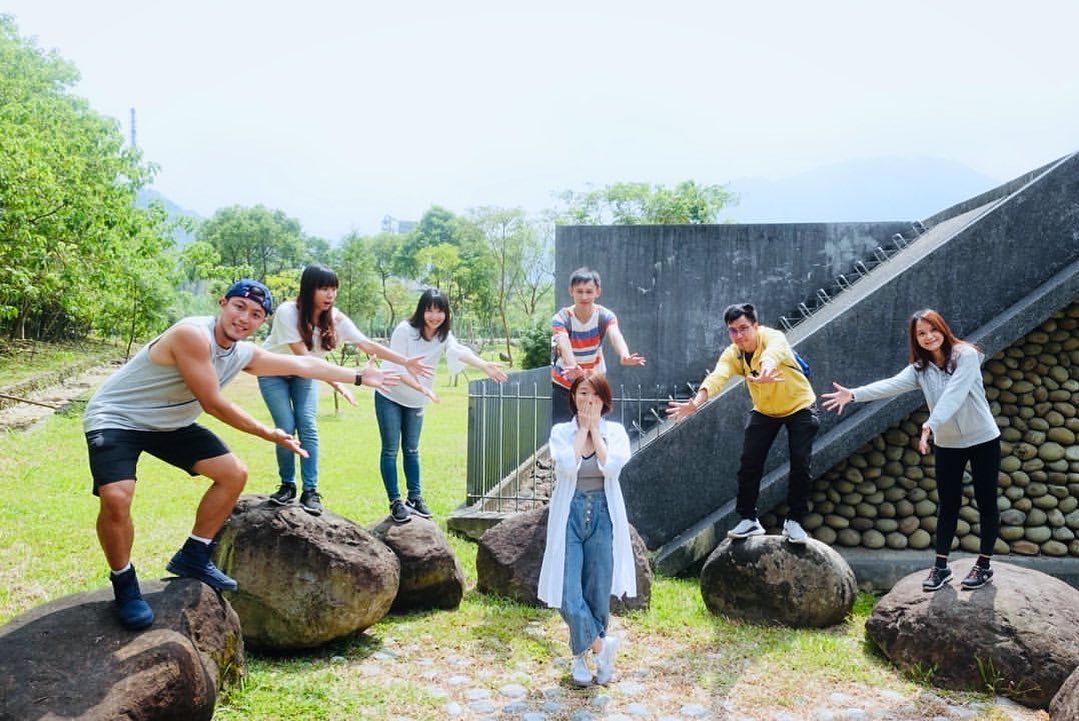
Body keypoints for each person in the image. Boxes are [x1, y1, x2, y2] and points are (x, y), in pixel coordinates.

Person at [83, 279, 398, 630]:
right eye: (239, 307)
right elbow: (213, 403)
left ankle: (195, 554)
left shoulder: (243, 354)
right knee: (116, 495)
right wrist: (269, 432)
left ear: (262, 322)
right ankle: (124, 582)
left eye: (256, 314)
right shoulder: (192, 335)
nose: (244, 318)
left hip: (170, 424)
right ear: (222, 303)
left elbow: (303, 366)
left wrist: (357, 375)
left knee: (233, 474)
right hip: (118, 417)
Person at [821, 309, 1000, 592]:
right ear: (915, 339)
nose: (929, 337)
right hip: (948, 443)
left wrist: (931, 423)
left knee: (987, 501)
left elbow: (956, 392)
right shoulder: (920, 368)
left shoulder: (966, 356)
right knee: (948, 505)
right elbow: (890, 385)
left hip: (983, 439)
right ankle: (941, 566)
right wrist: (853, 394)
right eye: (921, 334)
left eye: (933, 330)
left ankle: (984, 564)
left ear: (943, 329)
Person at [260, 264, 433, 516]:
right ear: (309, 289)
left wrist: (404, 361)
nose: (330, 295)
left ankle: (310, 490)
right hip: (273, 372)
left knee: (307, 424)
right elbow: (304, 359)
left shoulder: (336, 319)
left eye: (333, 289)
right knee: (286, 427)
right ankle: (287, 485)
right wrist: (341, 381)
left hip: (305, 375)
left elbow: (367, 344)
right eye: (323, 288)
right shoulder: (288, 312)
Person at [666, 303, 818, 544]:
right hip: (765, 410)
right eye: (732, 330)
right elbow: (718, 376)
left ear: (755, 326)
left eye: (744, 328)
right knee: (749, 462)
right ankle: (748, 519)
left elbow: (774, 353)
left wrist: (766, 370)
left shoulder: (772, 337)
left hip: (800, 405)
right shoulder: (733, 353)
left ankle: (795, 521)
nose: (739, 335)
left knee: (800, 461)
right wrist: (696, 402)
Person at [375, 288, 508, 523]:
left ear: (446, 313)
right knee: (390, 450)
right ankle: (396, 502)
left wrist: (483, 365)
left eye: (440, 311)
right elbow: (394, 368)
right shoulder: (405, 331)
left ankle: (414, 497)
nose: (434, 316)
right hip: (390, 394)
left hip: (416, 399)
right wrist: (423, 388)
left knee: (412, 449)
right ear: (421, 310)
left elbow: (458, 351)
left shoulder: (442, 336)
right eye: (429, 310)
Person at [538, 374, 636, 687]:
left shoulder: (615, 432)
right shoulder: (561, 432)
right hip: (570, 511)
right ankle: (599, 648)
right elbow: (567, 465)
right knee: (568, 593)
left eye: (594, 394)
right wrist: (582, 431)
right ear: (573, 397)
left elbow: (612, 468)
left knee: (596, 590)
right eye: (582, 393)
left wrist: (595, 430)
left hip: (603, 514)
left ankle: (587, 659)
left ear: (604, 400)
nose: (588, 400)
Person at [550, 267, 646, 425]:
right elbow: (563, 343)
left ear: (597, 292)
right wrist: (573, 366)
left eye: (589, 291)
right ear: (571, 291)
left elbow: (615, 334)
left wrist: (624, 354)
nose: (584, 296)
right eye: (579, 291)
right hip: (565, 383)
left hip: (594, 383)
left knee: (595, 430)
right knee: (564, 433)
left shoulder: (605, 316)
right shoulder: (561, 318)